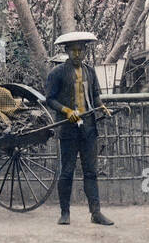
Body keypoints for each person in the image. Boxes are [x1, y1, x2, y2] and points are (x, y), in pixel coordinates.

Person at [44, 31, 113, 226]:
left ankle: (96, 213)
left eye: (80, 50)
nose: (77, 54)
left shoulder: (90, 71)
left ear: (84, 51)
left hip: (89, 127)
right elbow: (49, 99)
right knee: (67, 171)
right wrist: (66, 110)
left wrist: (102, 107)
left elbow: (96, 95)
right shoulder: (57, 73)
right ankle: (65, 213)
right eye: (73, 50)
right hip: (68, 129)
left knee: (91, 171)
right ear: (66, 51)